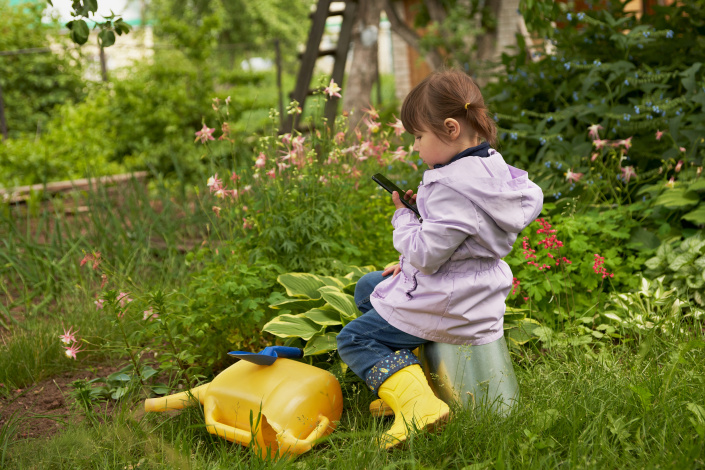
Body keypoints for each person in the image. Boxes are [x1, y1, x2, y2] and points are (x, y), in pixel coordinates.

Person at [336, 69, 544, 449]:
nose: (415, 147)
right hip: (468, 287)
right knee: (370, 286)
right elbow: (457, 242)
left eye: (418, 136)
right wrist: (413, 251)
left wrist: (402, 216)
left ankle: (419, 406)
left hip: (451, 305)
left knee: (354, 338)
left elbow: (426, 256)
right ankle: (408, 381)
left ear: (450, 128)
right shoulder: (488, 169)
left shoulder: (451, 188)